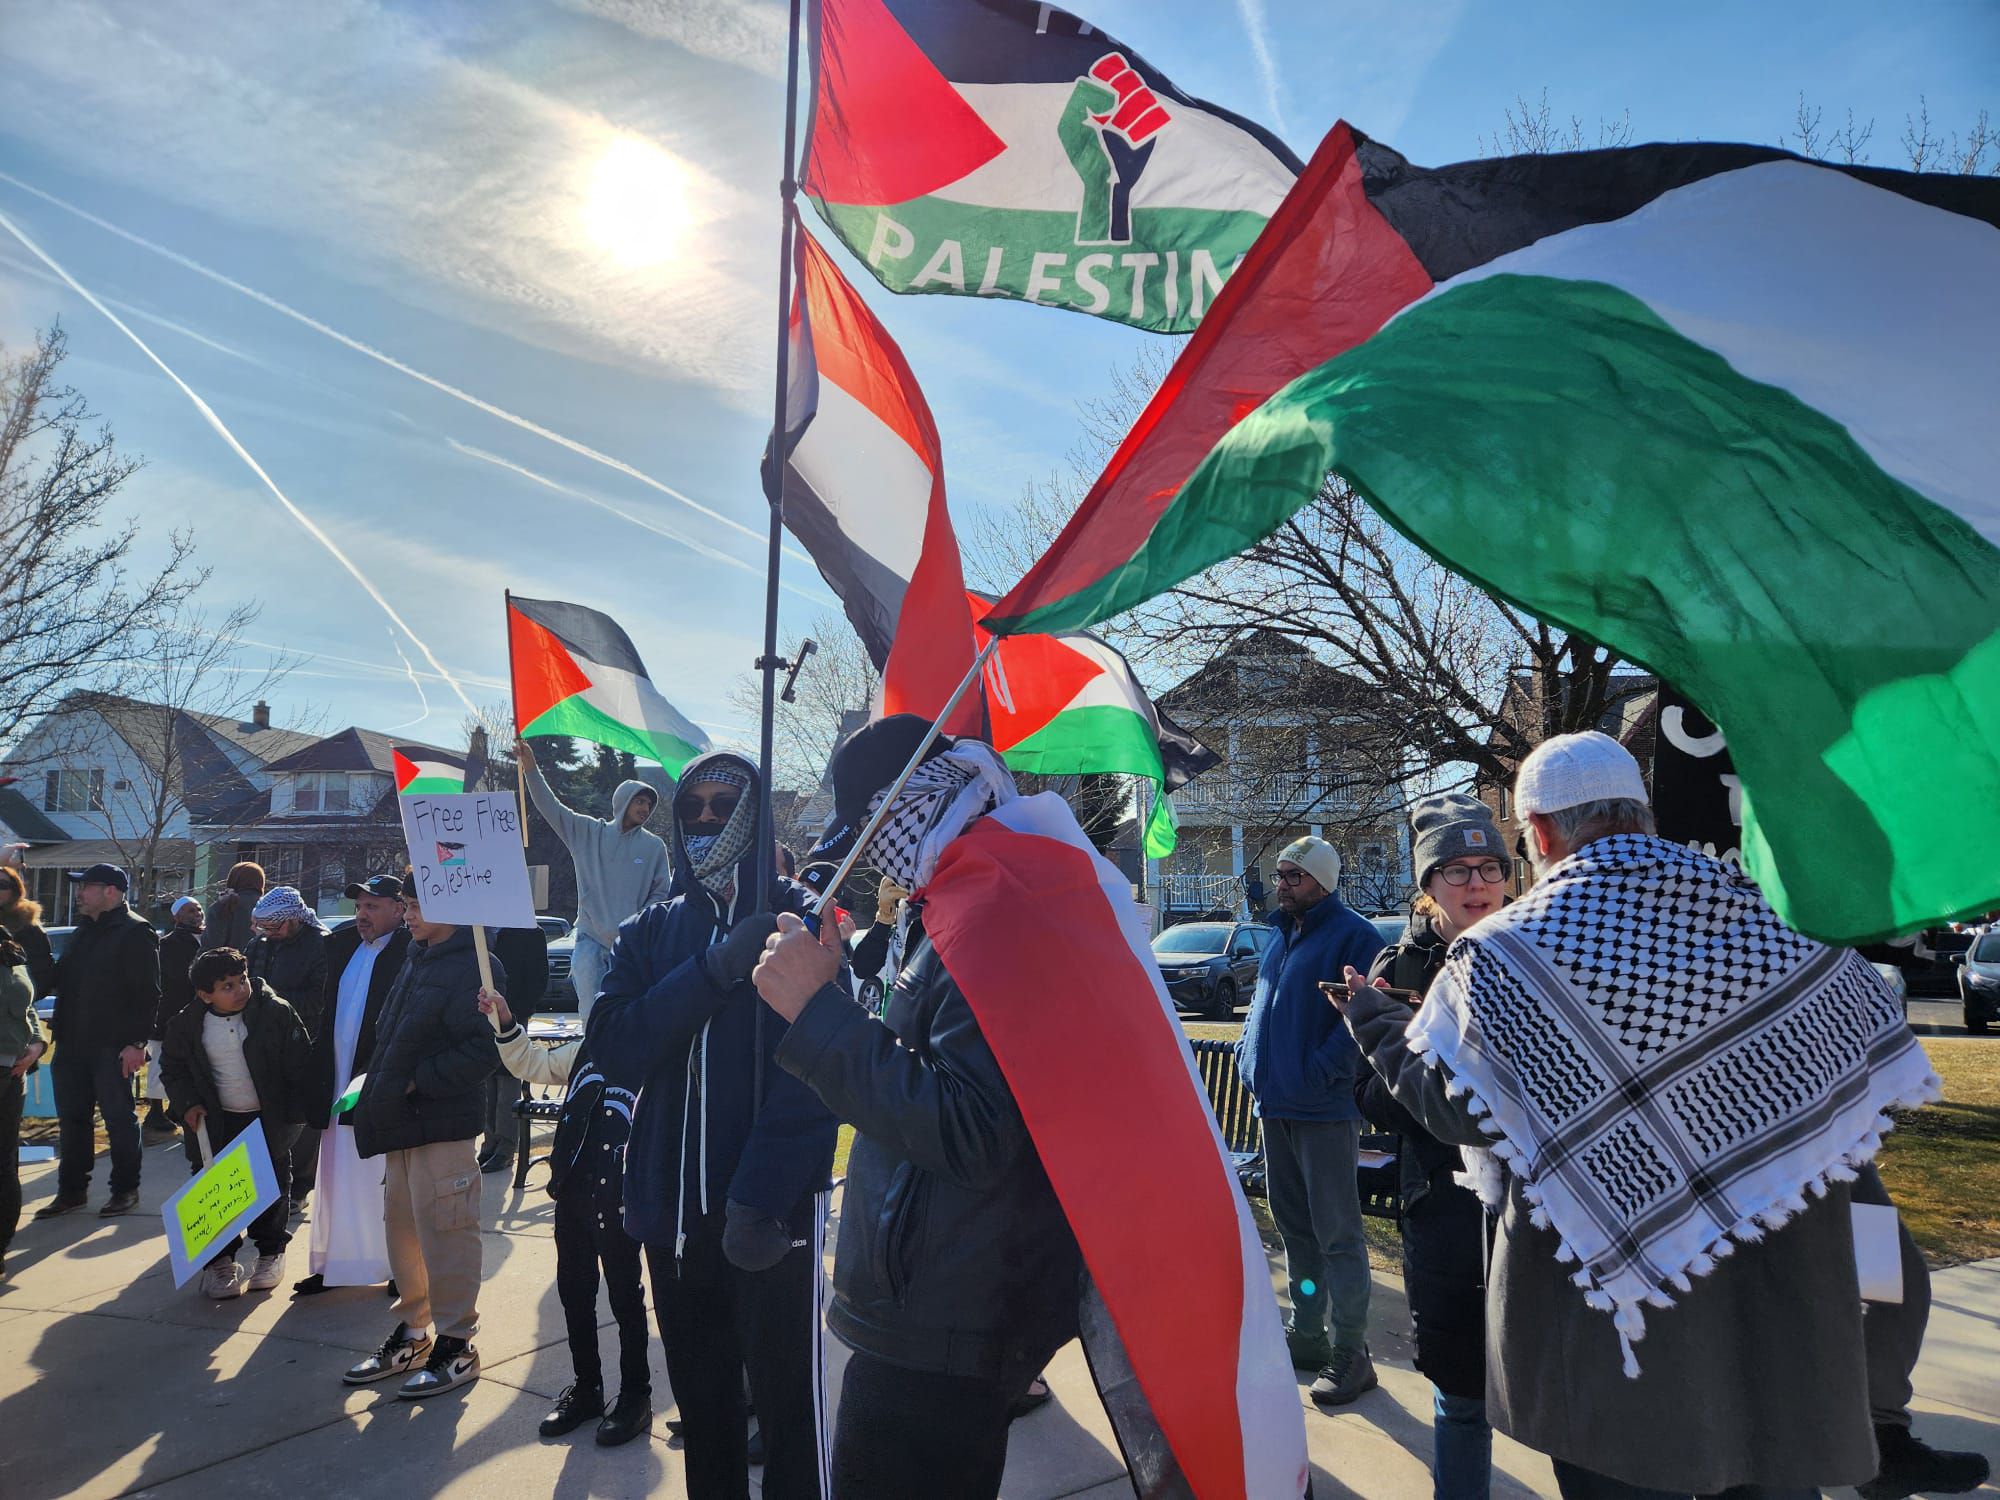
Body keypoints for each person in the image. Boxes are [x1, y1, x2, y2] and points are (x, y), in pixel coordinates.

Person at [1334, 731, 1943, 1499]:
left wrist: (1374, 1022)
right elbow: (1857, 1060)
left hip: (1606, 1329)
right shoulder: (1774, 919)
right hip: (1776, 1307)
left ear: (1541, 834)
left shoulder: (1506, 954)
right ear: (1641, 815)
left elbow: (1460, 1114)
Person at [751, 717, 1085, 1500]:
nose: (867, 856)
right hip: (946, 1296)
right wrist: (834, 1000)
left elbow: (973, 1131)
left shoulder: (993, 908)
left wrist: (816, 1014)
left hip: (942, 1314)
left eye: (872, 829)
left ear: (916, 803)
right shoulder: (964, 899)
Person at [586, 749, 837, 1500]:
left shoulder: (806, 920)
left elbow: (821, 1072)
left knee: (789, 1412)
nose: (704, 819)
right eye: (690, 806)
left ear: (755, 816)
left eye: (723, 806)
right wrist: (713, 969)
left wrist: (761, 1195)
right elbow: (616, 1043)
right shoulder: (651, 928)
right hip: (672, 1222)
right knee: (705, 1409)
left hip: (769, 1224)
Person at [1356, 794, 1508, 1499]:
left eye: (1489, 867)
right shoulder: (1401, 966)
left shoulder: (1536, 948)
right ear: (1427, 885)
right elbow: (1366, 1094)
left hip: (1536, 1205)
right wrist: (1419, 1075)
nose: (1477, 883)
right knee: (1460, 1387)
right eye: (1456, 870)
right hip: (1441, 1202)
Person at [1236, 834, 1385, 1404]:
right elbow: (1264, 1006)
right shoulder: (1281, 935)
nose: (1283, 884)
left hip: (1323, 1111)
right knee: (1295, 1227)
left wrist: (1322, 1073)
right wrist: (1253, 1062)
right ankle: (1308, 1332)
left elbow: (1363, 1023)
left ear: (1323, 881)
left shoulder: (1356, 937)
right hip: (1276, 1106)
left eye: (1294, 876)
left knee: (1338, 1234)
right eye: (1279, 875)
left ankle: (1352, 1348)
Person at [343, 877, 499, 1398]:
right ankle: (414, 1331)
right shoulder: (418, 956)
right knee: (403, 1232)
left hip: (443, 1124)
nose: (407, 914)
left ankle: (457, 1343)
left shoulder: (476, 967)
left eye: (416, 905)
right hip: (400, 1121)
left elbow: (484, 1051)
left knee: (448, 1232)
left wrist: (416, 1081)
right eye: (406, 905)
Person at [479, 985, 651, 1447]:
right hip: (573, 1188)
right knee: (576, 1292)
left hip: (620, 1195)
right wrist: (505, 1019)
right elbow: (530, 1063)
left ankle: (636, 1394)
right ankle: (588, 1387)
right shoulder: (586, 1046)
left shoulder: (657, 1050)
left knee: (625, 1296)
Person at [159, 947, 313, 1299]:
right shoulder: (186, 1024)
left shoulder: (275, 1012)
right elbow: (173, 1068)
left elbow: (299, 1061)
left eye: (241, 980)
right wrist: (188, 1103)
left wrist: (298, 1108)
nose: (239, 989)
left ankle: (270, 1253)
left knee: (271, 1186)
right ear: (205, 994)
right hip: (215, 1121)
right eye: (227, 986)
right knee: (215, 1191)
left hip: (267, 1118)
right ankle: (220, 1262)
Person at [294, 874, 410, 1297]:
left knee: (386, 1181)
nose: (362, 915)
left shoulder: (410, 954)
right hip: (337, 1081)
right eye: (359, 907)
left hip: (379, 1086)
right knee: (337, 1176)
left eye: (373, 906)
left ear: (399, 908)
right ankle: (336, 1265)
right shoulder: (343, 947)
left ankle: (400, 1268)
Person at [517, 741, 671, 1020]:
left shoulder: (654, 847)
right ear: (623, 801)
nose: (645, 807)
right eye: (640, 800)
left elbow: (661, 893)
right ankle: (592, 1062)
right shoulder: (588, 833)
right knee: (591, 1015)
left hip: (631, 946)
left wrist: (638, 923)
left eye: (649, 803)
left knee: (627, 1016)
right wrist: (530, 769)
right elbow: (551, 807)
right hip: (589, 939)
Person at [38, 864, 158, 1220]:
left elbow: (149, 994)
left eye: (86, 886)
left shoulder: (136, 932)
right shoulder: (83, 932)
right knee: (73, 1120)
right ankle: (72, 1191)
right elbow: (56, 980)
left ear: (110, 891)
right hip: (72, 1043)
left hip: (112, 1047)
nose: (78, 893)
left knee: (119, 1120)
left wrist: (137, 1043)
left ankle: (125, 1190)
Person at [247, 886, 330, 1218]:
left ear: (295, 919)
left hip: (305, 1039)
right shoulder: (260, 944)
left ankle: (299, 1188)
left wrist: (271, 1000)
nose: (271, 933)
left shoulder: (322, 945)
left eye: (276, 927)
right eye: (265, 928)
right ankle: (262, 1185)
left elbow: (319, 999)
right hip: (261, 1042)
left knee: (302, 1119)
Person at [477, 920, 548, 1176]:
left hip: (514, 1015)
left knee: (508, 1080)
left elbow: (539, 977)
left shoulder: (528, 931)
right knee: (487, 1079)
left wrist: (518, 1010)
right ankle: (489, 1142)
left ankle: (506, 1147)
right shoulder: (477, 929)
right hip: (483, 1014)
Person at [1, 930, 49, 1275]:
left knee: (4, 1166)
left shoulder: (8, 948)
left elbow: (27, 1008)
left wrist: (35, 1042)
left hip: (10, 1077)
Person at [146, 895, 205, 1142]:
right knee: (160, 1063)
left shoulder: (206, 939)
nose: (197, 913)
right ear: (177, 916)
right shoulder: (167, 944)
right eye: (190, 910)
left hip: (194, 1014)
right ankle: (155, 1112)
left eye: (199, 909)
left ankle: (176, 1107)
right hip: (170, 1013)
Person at [0, 864, 57, 1000]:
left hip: (12, 1012)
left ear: (15, 891)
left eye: (2, 885)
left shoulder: (27, 927)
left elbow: (42, 977)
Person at [202, 861, 266, 953]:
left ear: (233, 879)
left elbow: (211, 943)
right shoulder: (268, 906)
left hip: (228, 963)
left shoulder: (225, 904)